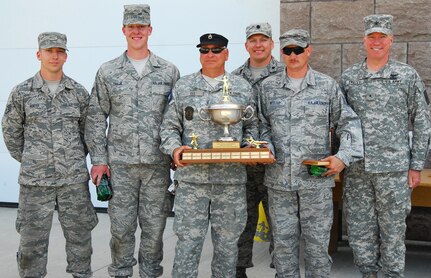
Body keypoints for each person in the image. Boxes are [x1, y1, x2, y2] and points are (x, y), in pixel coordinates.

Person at [84, 4, 180, 278]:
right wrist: (99, 161)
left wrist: (175, 154)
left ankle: (150, 274)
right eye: (131, 27)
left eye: (141, 27)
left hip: (156, 166)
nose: (136, 31)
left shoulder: (168, 71)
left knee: (154, 229)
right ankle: (121, 273)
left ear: (150, 30)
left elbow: (176, 119)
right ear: (123, 30)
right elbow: (95, 118)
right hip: (121, 167)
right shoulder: (108, 71)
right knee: (121, 229)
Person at [259, 29, 364, 277]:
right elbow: (262, 126)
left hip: (315, 181)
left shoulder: (326, 86)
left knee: (317, 247)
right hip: (279, 181)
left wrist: (343, 157)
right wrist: (265, 146)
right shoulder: (268, 87)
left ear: (309, 50)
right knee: (283, 248)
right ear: (281, 53)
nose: (293, 55)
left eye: (298, 49)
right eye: (287, 50)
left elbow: (348, 123)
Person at [159, 33, 258, 278]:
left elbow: (252, 127)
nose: (210, 54)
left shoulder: (241, 87)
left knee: (227, 248)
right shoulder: (184, 86)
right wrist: (175, 148)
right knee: (188, 245)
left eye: (216, 50)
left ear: (226, 53)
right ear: (200, 54)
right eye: (205, 50)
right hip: (192, 181)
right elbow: (169, 126)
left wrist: (250, 147)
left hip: (231, 181)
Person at [340, 14, 431, 278]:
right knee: (359, 232)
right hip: (357, 171)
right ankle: (368, 274)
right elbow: (339, 122)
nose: (376, 42)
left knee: (392, 233)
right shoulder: (349, 78)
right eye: (372, 37)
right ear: (364, 40)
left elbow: (423, 123)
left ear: (391, 40)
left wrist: (416, 166)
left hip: (394, 171)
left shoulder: (406, 75)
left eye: (382, 37)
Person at [2, 32, 98, 278]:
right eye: (49, 51)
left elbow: (87, 133)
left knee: (80, 239)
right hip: (35, 182)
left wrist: (71, 158)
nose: (54, 56)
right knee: (31, 242)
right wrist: (32, 159)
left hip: (73, 181)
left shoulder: (78, 92)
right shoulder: (22, 92)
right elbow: (11, 131)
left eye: (60, 51)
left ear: (66, 56)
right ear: (39, 54)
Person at [231, 22, 284, 278]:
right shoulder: (233, 78)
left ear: (272, 44)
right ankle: (239, 268)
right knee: (242, 219)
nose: (258, 45)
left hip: (277, 163)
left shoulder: (286, 72)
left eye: (263, 40)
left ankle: (280, 269)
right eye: (253, 40)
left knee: (279, 220)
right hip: (243, 166)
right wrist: (243, 149)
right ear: (246, 45)